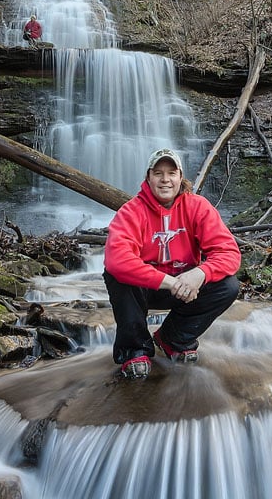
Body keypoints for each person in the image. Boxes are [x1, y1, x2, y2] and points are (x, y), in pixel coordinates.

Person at [103, 148, 241, 379]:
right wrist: (169, 282)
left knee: (228, 286)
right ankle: (135, 348)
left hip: (186, 286)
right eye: (158, 173)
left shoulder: (198, 207)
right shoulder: (131, 212)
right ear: (148, 178)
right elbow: (117, 260)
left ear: (180, 177)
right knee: (118, 275)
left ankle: (174, 338)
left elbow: (228, 253)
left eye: (171, 173)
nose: (165, 180)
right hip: (147, 288)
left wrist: (201, 273)